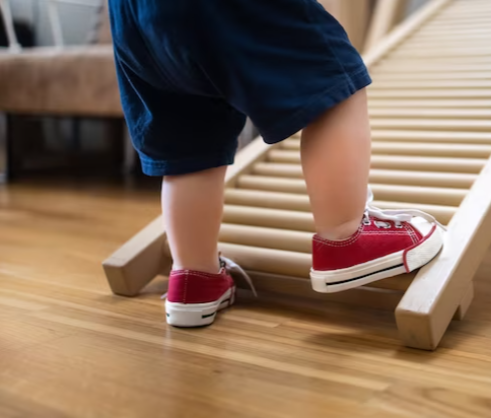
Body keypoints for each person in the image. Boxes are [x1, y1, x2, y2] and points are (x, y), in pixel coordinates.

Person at [108, 0, 444, 327]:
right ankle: (345, 236)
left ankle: (195, 279)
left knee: (189, 148)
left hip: (135, 17)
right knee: (333, 86)